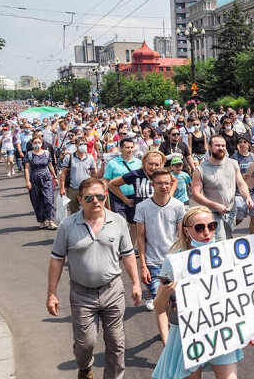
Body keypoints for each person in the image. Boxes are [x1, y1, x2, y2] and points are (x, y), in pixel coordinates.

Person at [47, 178, 142, 379]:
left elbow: (127, 254)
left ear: (105, 197)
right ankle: (85, 368)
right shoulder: (67, 225)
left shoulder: (118, 222)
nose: (95, 201)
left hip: (112, 291)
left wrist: (135, 283)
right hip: (82, 294)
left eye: (100, 196)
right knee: (85, 344)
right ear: (80, 200)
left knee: (116, 343)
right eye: (89, 197)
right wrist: (52, 294)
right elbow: (56, 259)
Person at [151, 206, 254, 379]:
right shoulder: (175, 261)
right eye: (200, 228)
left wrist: (251, 328)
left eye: (212, 226)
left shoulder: (226, 254)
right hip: (188, 334)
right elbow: (159, 308)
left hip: (222, 329)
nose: (207, 232)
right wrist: (165, 293)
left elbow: (240, 295)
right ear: (187, 231)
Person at [135, 168, 185, 344]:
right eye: (159, 183)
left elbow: (181, 236)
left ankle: (170, 332)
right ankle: (167, 344)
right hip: (154, 263)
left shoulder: (178, 206)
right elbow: (140, 237)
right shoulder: (142, 207)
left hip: (174, 261)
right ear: (152, 184)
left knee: (175, 302)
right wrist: (143, 265)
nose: (164, 186)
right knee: (160, 303)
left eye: (167, 183)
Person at [192, 135, 253, 239]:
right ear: (209, 147)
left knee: (228, 239)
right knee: (221, 241)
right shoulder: (200, 169)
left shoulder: (233, 164)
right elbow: (195, 194)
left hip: (231, 211)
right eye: (217, 145)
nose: (221, 148)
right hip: (213, 213)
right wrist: (214, 205)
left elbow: (241, 183)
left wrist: (247, 197)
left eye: (223, 145)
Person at [103, 138, 142, 246]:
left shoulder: (139, 163)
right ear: (121, 148)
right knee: (120, 223)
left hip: (135, 197)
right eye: (127, 147)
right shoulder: (112, 163)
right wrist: (102, 194)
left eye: (131, 147)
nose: (130, 150)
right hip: (117, 197)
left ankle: (129, 247)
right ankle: (118, 246)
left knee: (133, 224)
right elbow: (106, 179)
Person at [24, 135, 59, 229]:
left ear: (41, 142)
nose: (37, 144)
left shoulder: (46, 153)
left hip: (47, 178)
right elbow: (27, 169)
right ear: (32, 143)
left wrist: (55, 177)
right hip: (34, 179)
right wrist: (27, 181)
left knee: (48, 199)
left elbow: (51, 165)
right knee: (37, 200)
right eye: (35, 142)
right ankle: (41, 220)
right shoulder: (29, 154)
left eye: (38, 142)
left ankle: (51, 221)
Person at [231, 133, 254, 234]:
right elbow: (229, 175)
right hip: (238, 193)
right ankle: (227, 232)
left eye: (245, 142)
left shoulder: (253, 157)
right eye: (240, 142)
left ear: (249, 144)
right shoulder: (234, 158)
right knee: (239, 218)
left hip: (252, 191)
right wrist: (240, 177)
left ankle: (253, 238)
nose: (242, 144)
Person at [60, 136, 97, 215]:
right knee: (74, 211)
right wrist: (62, 188)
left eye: (85, 144)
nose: (83, 146)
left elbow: (94, 174)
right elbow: (63, 173)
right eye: (80, 144)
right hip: (73, 188)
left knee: (88, 209)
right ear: (76, 145)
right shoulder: (69, 158)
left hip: (86, 188)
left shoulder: (90, 158)